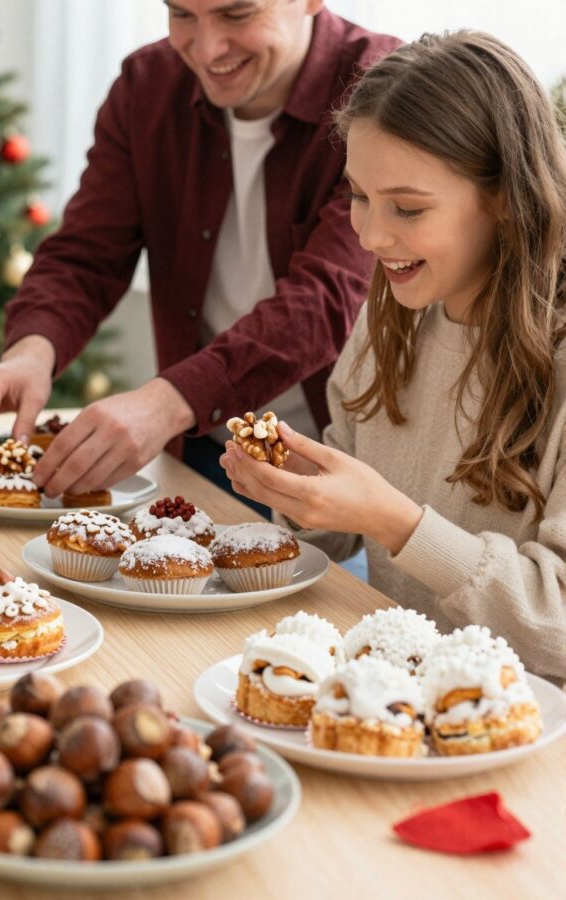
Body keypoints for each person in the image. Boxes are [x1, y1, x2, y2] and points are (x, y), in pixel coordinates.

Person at [222, 31, 566, 679]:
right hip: (387, 703)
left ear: (503, 198)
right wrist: (297, 493)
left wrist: (399, 523)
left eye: (407, 208)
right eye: (357, 196)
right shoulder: (392, 320)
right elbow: (330, 542)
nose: (372, 235)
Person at [0, 1, 397, 500]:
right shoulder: (147, 85)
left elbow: (327, 298)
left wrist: (165, 404)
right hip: (203, 450)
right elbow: (85, 254)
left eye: (237, 14)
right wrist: (31, 352)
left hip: (346, 467)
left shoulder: (385, 93)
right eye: (181, 13)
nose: (206, 49)